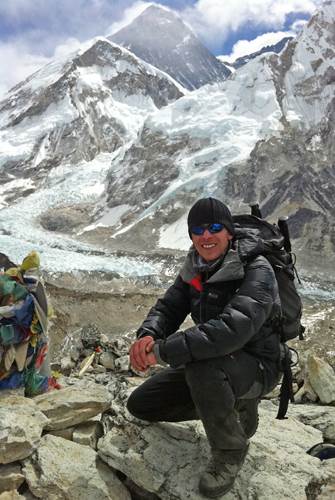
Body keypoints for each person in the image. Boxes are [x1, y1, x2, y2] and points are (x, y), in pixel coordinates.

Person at [127, 197, 281, 498]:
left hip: (258, 366)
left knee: (201, 365)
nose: (206, 236)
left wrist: (161, 351)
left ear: (229, 232)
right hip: (215, 362)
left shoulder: (257, 269)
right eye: (198, 229)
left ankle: (229, 449)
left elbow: (229, 332)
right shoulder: (196, 267)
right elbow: (170, 306)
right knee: (143, 405)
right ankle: (233, 409)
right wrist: (148, 334)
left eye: (214, 228)